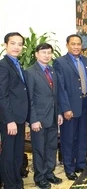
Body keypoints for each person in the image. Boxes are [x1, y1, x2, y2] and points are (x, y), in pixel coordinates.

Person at [53, 34, 87, 181]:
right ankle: (69, 168)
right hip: (70, 106)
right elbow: (60, 88)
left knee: (83, 137)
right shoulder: (60, 62)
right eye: (73, 44)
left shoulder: (86, 61)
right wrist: (65, 108)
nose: (76, 46)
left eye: (78, 44)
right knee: (68, 138)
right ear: (67, 45)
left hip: (85, 104)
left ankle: (80, 164)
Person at [25, 43, 63, 188]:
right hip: (39, 119)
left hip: (53, 117)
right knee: (39, 149)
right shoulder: (30, 72)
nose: (47, 55)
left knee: (51, 147)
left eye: (49, 53)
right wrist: (33, 119)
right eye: (43, 52)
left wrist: (58, 113)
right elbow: (30, 98)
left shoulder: (52, 71)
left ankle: (49, 173)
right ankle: (39, 177)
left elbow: (56, 95)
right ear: (36, 54)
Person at [0, 32, 29, 189]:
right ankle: (10, 185)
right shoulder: (3, 66)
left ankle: (17, 182)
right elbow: (2, 95)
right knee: (9, 154)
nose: (17, 47)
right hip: (10, 119)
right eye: (13, 43)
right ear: (5, 45)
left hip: (19, 117)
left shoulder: (17, 64)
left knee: (18, 153)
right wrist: (9, 120)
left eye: (19, 44)